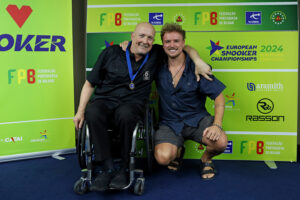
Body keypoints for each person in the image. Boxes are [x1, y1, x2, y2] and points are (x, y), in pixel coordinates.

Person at [73, 22, 211, 192]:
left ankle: (124, 167)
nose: (145, 41)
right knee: (92, 112)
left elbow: (185, 46)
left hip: (132, 104)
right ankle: (107, 168)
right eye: (141, 36)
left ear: (153, 41)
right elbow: (89, 84)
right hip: (105, 100)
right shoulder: (111, 52)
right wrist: (80, 111)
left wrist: (198, 61)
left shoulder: (155, 54)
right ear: (132, 36)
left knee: (126, 114)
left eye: (150, 38)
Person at [154, 23, 228, 180]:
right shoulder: (156, 62)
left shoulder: (197, 67)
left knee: (221, 142)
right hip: (170, 122)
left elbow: (219, 97)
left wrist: (217, 124)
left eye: (176, 41)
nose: (172, 45)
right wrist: (125, 45)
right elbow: (139, 50)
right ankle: (178, 151)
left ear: (183, 42)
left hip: (197, 119)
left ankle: (206, 159)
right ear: (163, 44)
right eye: (167, 41)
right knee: (162, 158)